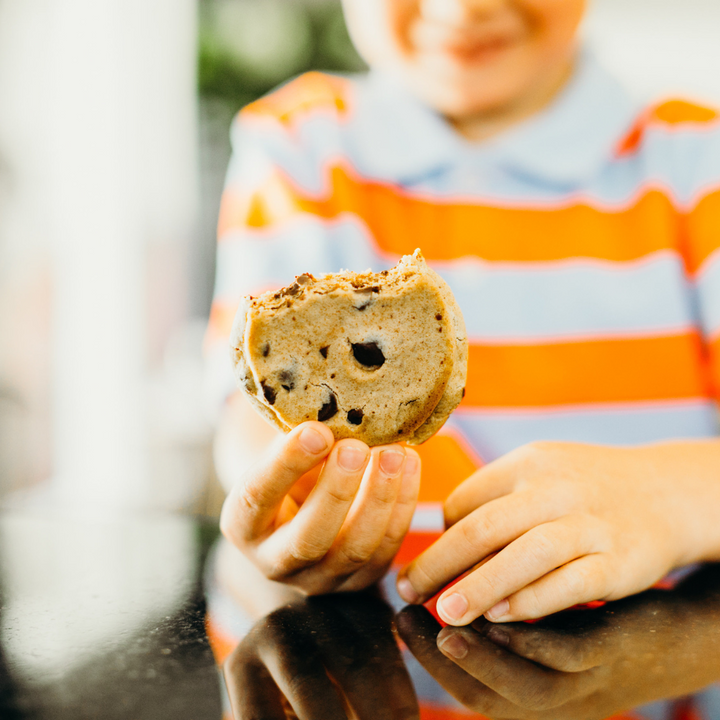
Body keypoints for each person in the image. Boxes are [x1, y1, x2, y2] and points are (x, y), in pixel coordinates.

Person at [204, 0, 720, 715]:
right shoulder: (300, 146)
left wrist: (676, 497)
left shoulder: (698, 161)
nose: (463, 7)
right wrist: (286, 502)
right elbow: (252, 408)